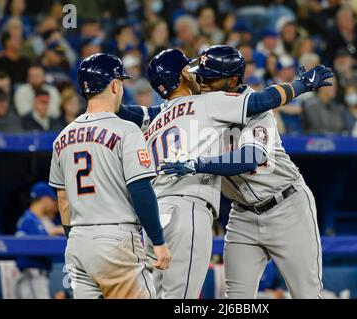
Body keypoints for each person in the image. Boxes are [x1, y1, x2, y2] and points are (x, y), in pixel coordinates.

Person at [118, 46, 332, 298]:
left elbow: (250, 158)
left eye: (210, 78)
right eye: (201, 75)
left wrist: (199, 164)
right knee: (236, 299)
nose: (202, 81)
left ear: (232, 81)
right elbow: (147, 113)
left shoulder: (254, 108)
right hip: (242, 214)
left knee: (307, 294)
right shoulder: (200, 104)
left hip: (286, 205)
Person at [48, 53, 171, 299]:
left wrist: (79, 239)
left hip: (77, 243)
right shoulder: (126, 129)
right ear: (114, 85)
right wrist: (158, 241)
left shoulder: (62, 137)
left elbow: (63, 200)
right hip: (116, 241)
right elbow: (140, 189)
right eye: (121, 83)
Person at [14, 182, 58, 299]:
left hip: (35, 276)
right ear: (45, 199)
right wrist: (53, 232)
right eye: (52, 199)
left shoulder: (37, 221)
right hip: (31, 275)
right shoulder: (29, 220)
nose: (53, 203)